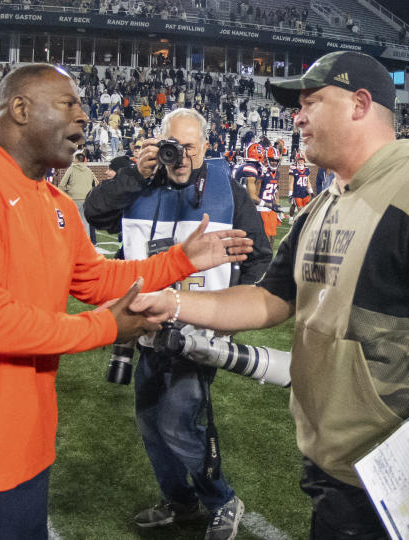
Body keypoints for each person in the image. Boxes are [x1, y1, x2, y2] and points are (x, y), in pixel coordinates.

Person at [129, 51, 409, 539]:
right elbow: (271, 298)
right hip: (334, 461)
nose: (297, 116)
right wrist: (175, 305)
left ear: (359, 104)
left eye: (311, 101)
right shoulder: (329, 199)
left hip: (393, 472)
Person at [0, 64, 254, 540]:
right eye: (69, 104)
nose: (85, 117)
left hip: (25, 428)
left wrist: (180, 261)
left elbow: (96, 277)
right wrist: (106, 328)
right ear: (20, 109)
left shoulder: (56, 204)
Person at [85, 108, 272, 540]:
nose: (181, 156)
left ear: (205, 147)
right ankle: (181, 502)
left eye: (190, 147)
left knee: (176, 421)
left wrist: (232, 309)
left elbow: (260, 256)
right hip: (145, 333)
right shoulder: (141, 184)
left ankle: (222, 500)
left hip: (199, 334)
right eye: (174, 146)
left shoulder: (227, 191)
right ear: (160, 144)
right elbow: (95, 213)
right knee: (151, 424)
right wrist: (136, 173)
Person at [61, 150, 98, 244]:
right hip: (87, 199)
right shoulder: (89, 170)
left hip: (74, 198)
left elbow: (62, 184)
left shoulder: (71, 169)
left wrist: (65, 192)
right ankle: (85, 243)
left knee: (71, 221)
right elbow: (95, 184)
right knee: (85, 222)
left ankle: (72, 242)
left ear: (76, 160)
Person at [248, 146, 281, 249]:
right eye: (272, 160)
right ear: (267, 159)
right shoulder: (261, 172)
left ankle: (269, 259)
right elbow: (256, 194)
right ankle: (265, 260)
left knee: (272, 238)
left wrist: (277, 204)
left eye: (276, 160)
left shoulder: (277, 173)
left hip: (271, 208)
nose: (274, 163)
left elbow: (275, 190)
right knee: (265, 238)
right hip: (261, 208)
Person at [288, 152, 312, 218]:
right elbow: (291, 183)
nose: (301, 161)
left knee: (307, 208)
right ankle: (291, 217)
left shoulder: (307, 169)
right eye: (299, 159)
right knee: (297, 207)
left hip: (304, 192)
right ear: (296, 160)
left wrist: (311, 192)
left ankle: (303, 220)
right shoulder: (293, 169)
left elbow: (308, 182)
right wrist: (290, 194)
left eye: (302, 159)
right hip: (296, 192)